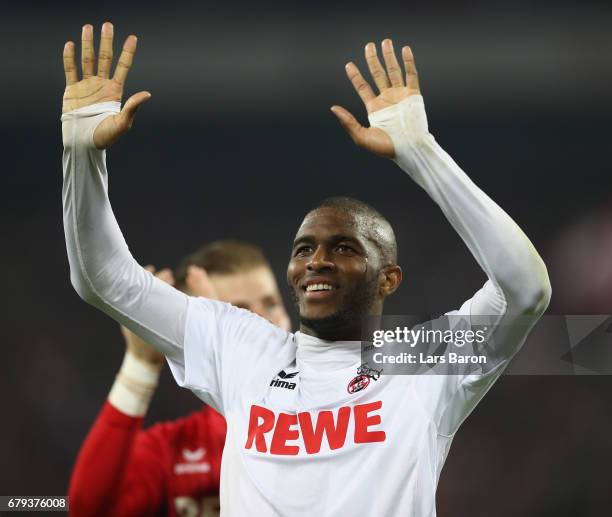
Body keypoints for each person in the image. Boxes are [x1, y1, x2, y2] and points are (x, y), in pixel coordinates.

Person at [61, 22, 551, 516]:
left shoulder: (422, 360)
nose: (316, 260)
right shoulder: (242, 347)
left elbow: (526, 290)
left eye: (343, 248)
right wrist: (81, 156)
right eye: (303, 250)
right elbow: (105, 280)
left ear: (389, 278)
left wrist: (422, 154)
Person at [68, 242, 291, 517]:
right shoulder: (173, 449)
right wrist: (140, 365)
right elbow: (87, 510)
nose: (266, 324)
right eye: (240, 313)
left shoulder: (337, 412)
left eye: (271, 304)